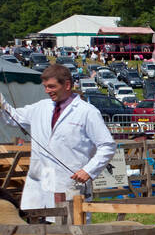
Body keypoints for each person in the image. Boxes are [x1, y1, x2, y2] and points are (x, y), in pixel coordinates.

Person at [1, 64, 115, 212]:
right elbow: (12, 118)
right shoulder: (40, 107)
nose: (47, 91)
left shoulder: (87, 112)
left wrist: (88, 170)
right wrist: (2, 103)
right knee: (35, 228)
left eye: (51, 87)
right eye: (45, 87)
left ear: (67, 85)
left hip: (69, 182)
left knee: (70, 228)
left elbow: (107, 145)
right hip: (38, 183)